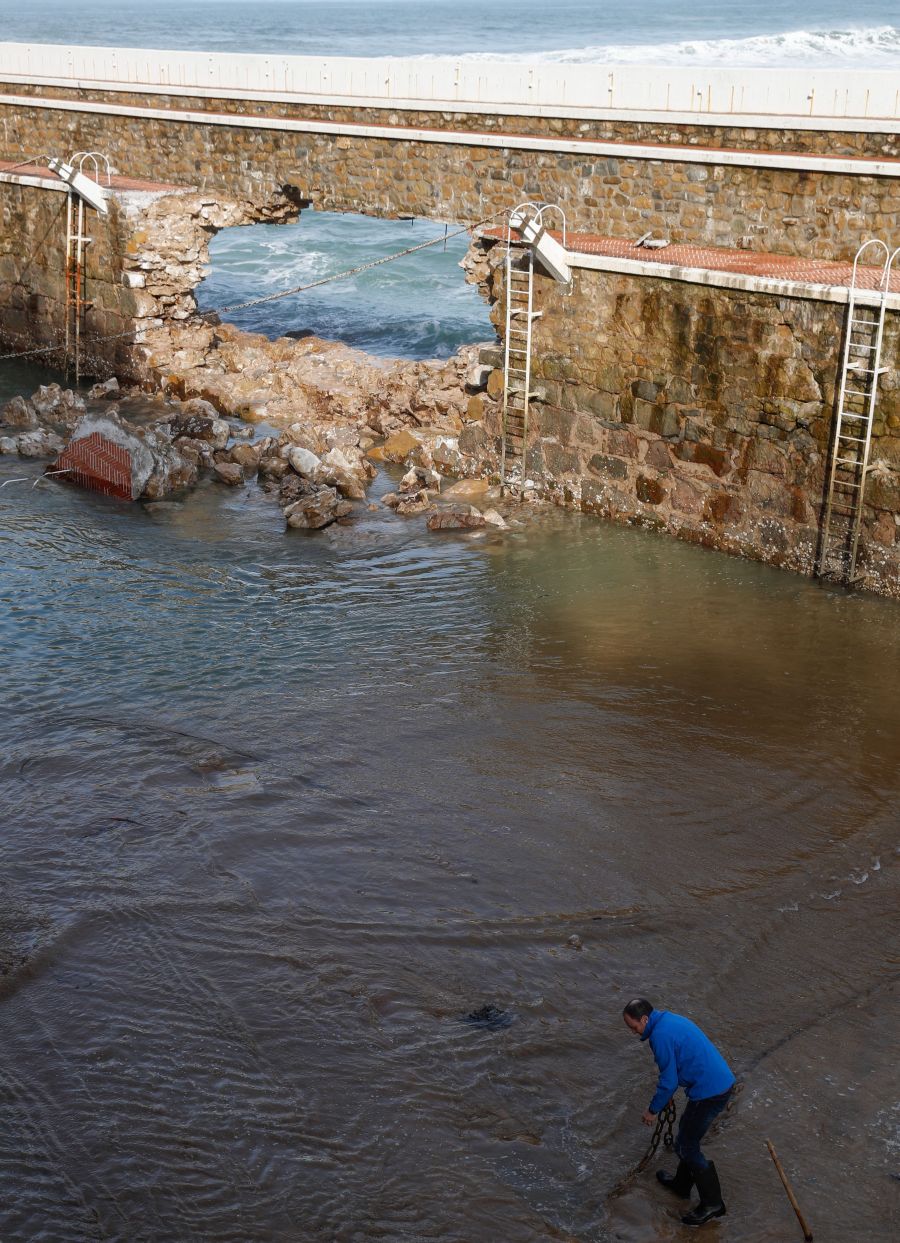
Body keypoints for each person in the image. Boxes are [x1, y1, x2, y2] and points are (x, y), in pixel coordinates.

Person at [622, 997, 735, 1227]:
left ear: (644, 1019)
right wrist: (669, 1091)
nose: (633, 1032)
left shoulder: (659, 1036)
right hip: (719, 1082)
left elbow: (668, 1080)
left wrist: (653, 1110)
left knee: (686, 1145)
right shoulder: (668, 1020)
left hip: (710, 1091)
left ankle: (713, 1204)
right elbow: (676, 1068)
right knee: (686, 1134)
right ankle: (682, 1185)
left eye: (633, 1026)